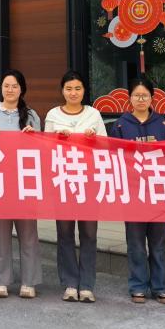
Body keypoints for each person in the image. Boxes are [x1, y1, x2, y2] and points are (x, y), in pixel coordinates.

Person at [44, 70, 105, 303]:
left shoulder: (94, 114)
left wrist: (93, 138)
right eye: (69, 89)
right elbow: (45, 149)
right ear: (62, 91)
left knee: (89, 233)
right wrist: (57, 138)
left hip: (89, 182)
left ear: (84, 91)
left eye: (77, 88)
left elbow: (105, 147)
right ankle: (70, 283)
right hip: (63, 181)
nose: (73, 93)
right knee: (65, 233)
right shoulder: (52, 114)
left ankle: (87, 285)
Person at [0, 68, 42, 299]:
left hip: (25, 183)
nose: (10, 90)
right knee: (1, 235)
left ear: (21, 89)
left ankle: (29, 281)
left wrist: (33, 136)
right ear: (1, 88)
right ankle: (1, 281)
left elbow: (42, 150)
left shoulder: (32, 115)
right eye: (6, 86)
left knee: (28, 234)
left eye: (14, 86)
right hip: (0, 183)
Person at [113, 77, 165, 304]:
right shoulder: (120, 125)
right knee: (136, 244)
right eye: (137, 95)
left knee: (158, 245)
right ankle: (138, 286)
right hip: (133, 193)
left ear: (152, 98)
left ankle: (160, 287)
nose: (141, 99)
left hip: (158, 193)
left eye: (145, 96)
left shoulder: (164, 125)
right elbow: (114, 158)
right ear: (129, 98)